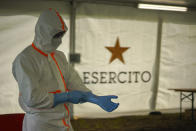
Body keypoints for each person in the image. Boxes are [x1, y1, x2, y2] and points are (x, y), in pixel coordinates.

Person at [12, 8, 119, 131]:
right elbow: (32, 97)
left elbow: (72, 81)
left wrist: (94, 98)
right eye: (55, 35)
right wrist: (66, 97)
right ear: (43, 32)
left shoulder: (59, 56)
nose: (59, 40)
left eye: (61, 35)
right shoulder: (25, 59)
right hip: (41, 124)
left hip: (63, 121)